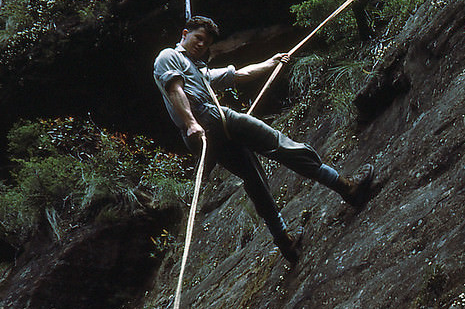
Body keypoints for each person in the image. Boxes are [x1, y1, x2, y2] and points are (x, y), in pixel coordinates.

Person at [153, 16, 374, 263]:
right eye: (198, 38)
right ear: (185, 34)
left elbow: (238, 74)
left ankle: (285, 242)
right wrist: (192, 123)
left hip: (211, 130)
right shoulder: (168, 57)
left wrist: (271, 62)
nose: (201, 45)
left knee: (254, 178)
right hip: (211, 120)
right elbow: (175, 90)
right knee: (278, 143)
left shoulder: (199, 70)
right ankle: (346, 187)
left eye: (205, 43)